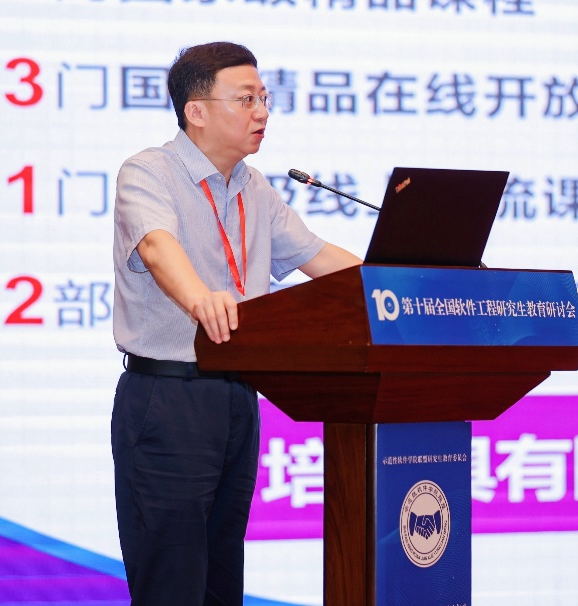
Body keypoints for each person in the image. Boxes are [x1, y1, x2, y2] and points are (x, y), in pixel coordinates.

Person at [110, 41, 361, 605]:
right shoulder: (149, 171)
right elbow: (156, 245)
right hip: (168, 399)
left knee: (223, 582)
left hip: (238, 399)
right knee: (172, 584)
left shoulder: (255, 186)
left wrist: (405, 285)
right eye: (247, 99)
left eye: (264, 99)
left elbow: (321, 258)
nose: (262, 112)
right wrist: (200, 298)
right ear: (196, 110)